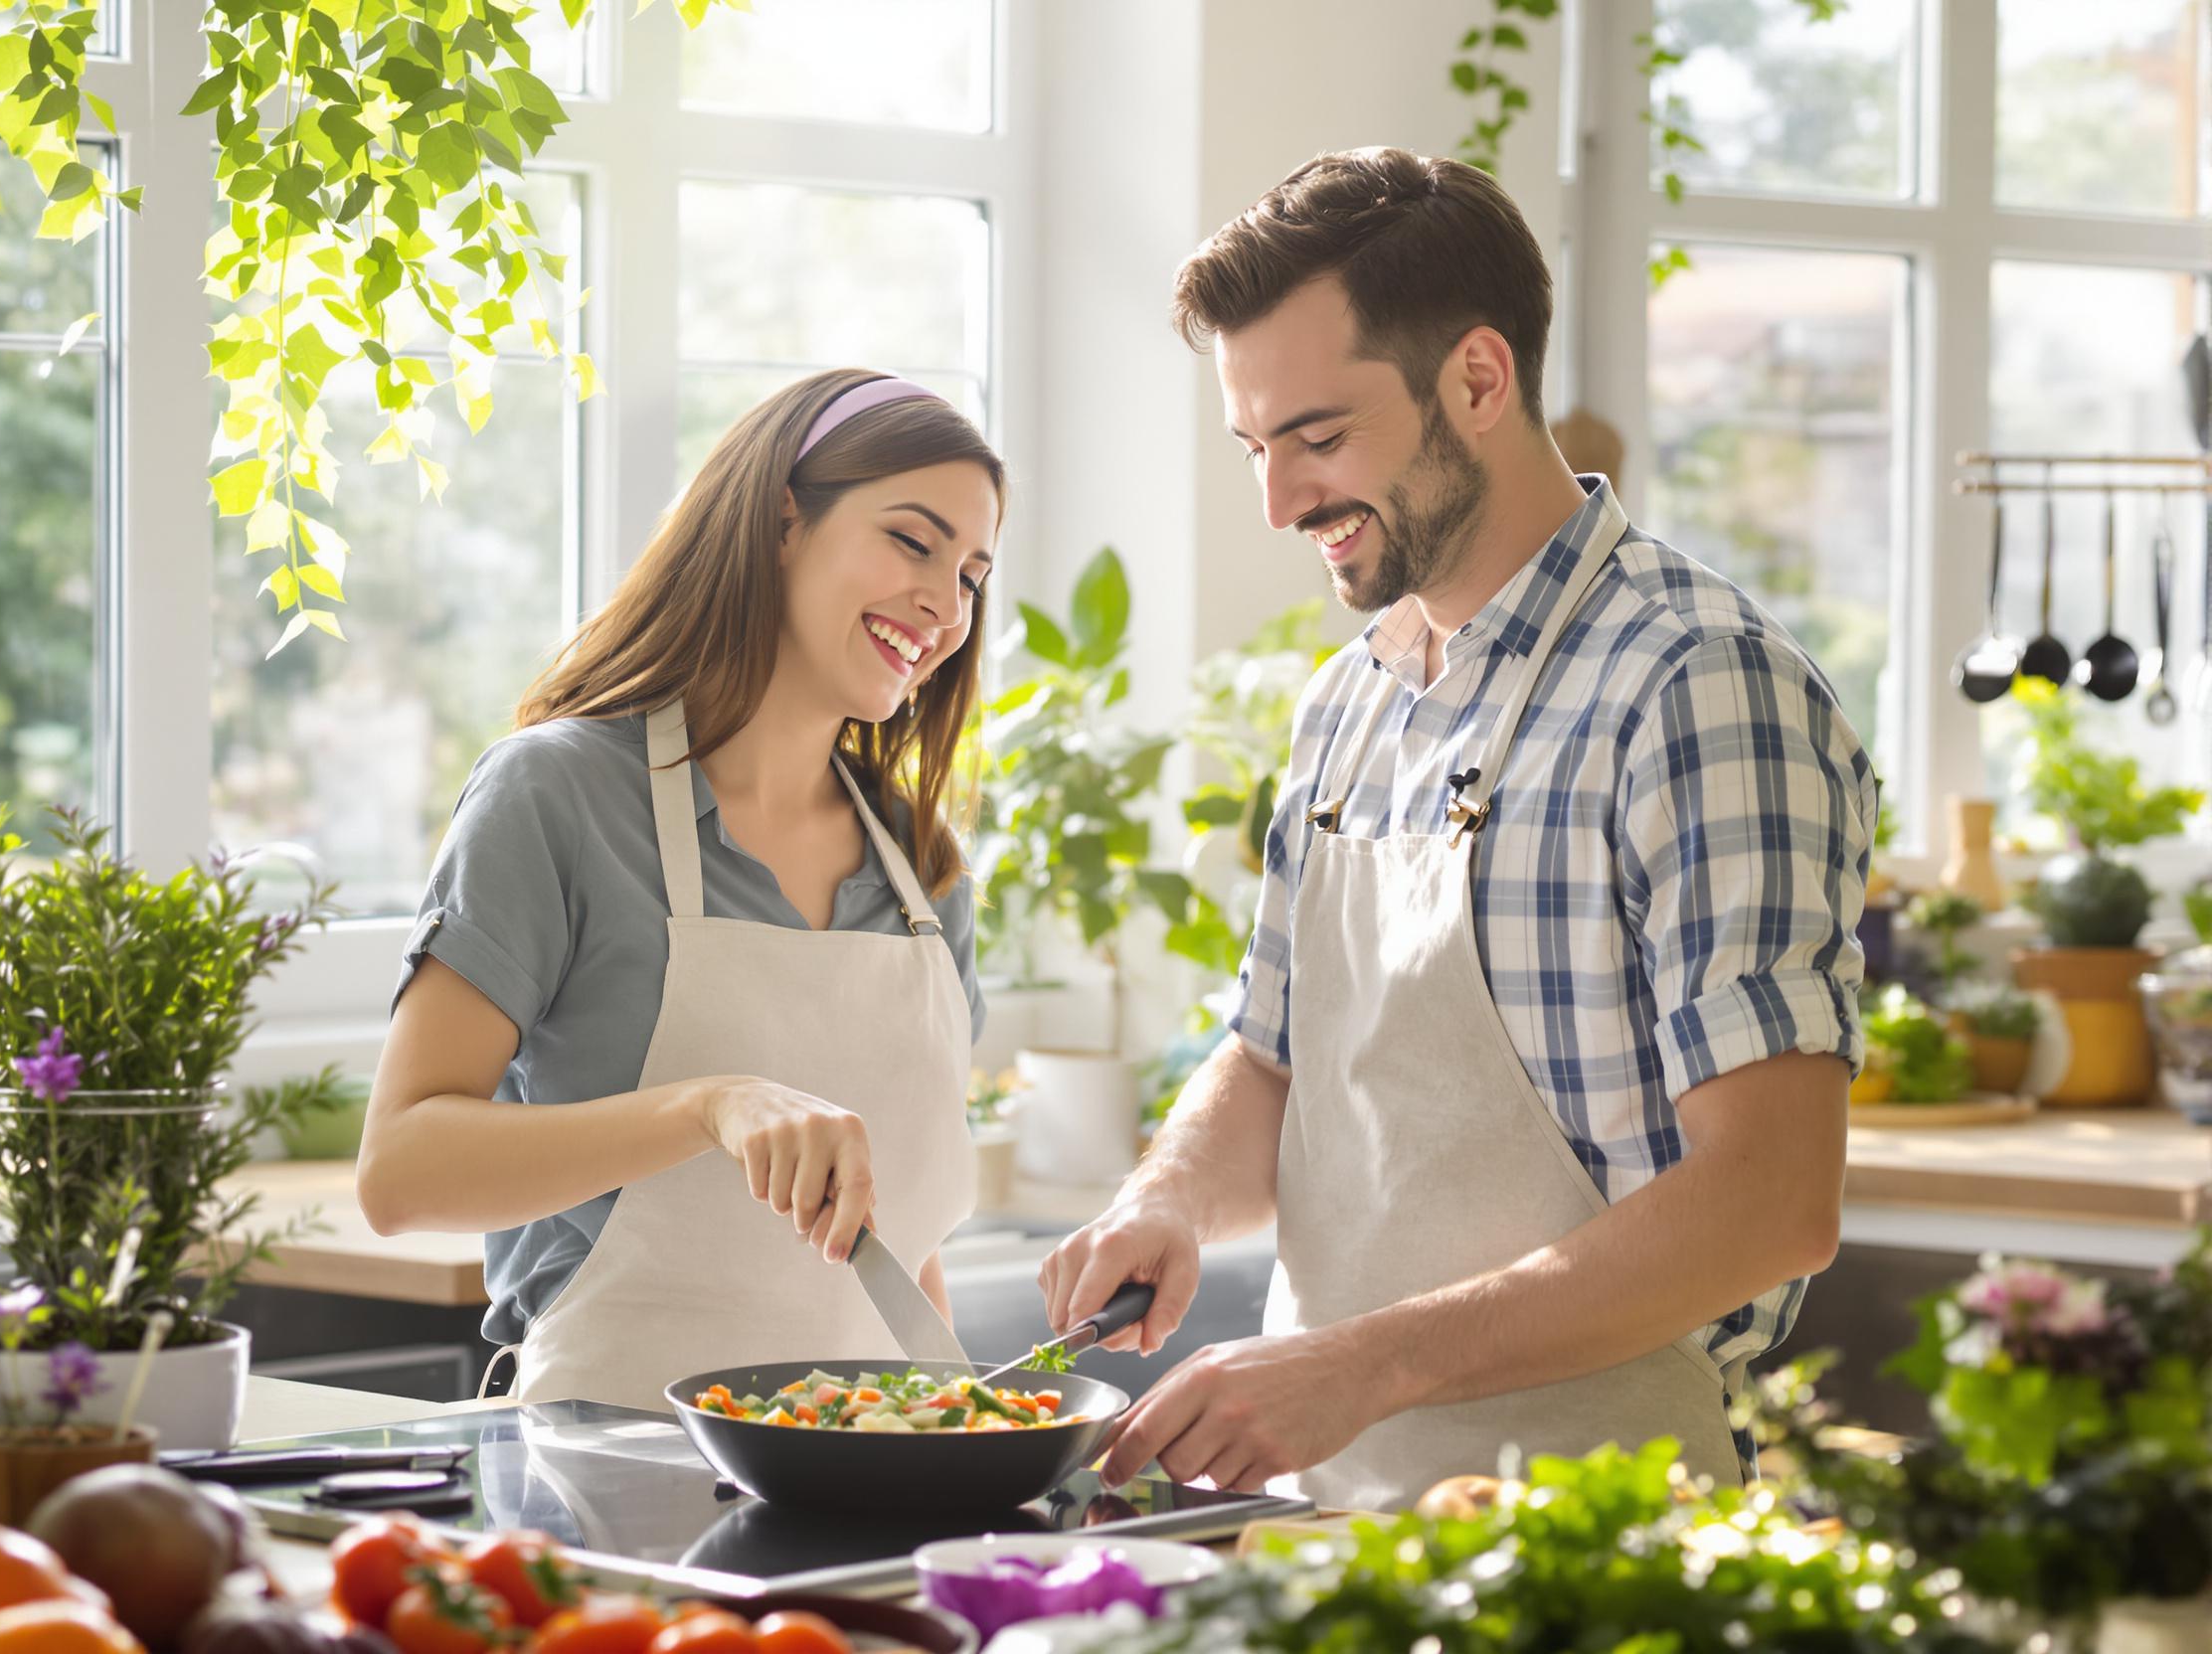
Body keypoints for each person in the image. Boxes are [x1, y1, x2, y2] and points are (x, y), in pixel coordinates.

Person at [1042, 147, 1873, 1509]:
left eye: (1318, 437)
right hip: (1320, 1516)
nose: (1280, 502)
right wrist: (1167, 1201)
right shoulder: (1348, 701)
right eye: (1257, 448)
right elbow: (1272, 1060)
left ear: (1480, 381)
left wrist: (1361, 1366)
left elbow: (1773, 1199)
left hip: (1592, 1529)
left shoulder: (1697, 687)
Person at [359, 370, 1004, 1408]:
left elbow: (896, 1254)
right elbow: (400, 1170)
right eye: (913, 541)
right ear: (783, 521)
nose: (946, 602)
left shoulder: (922, 870)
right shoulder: (560, 795)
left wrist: (978, 1438)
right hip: (603, 1476)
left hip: (877, 1475)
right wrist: (710, 1104)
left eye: (973, 572)